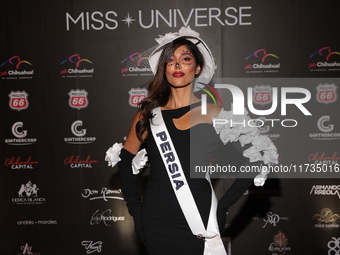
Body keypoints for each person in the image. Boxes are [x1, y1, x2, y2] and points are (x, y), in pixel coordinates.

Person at [105, 26, 278, 255]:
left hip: (199, 221)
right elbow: (125, 161)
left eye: (185, 59)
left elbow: (258, 159)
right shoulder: (148, 114)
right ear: (164, 69)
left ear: (197, 68)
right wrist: (136, 213)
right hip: (156, 224)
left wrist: (223, 206)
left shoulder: (214, 113)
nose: (177, 65)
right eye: (170, 60)